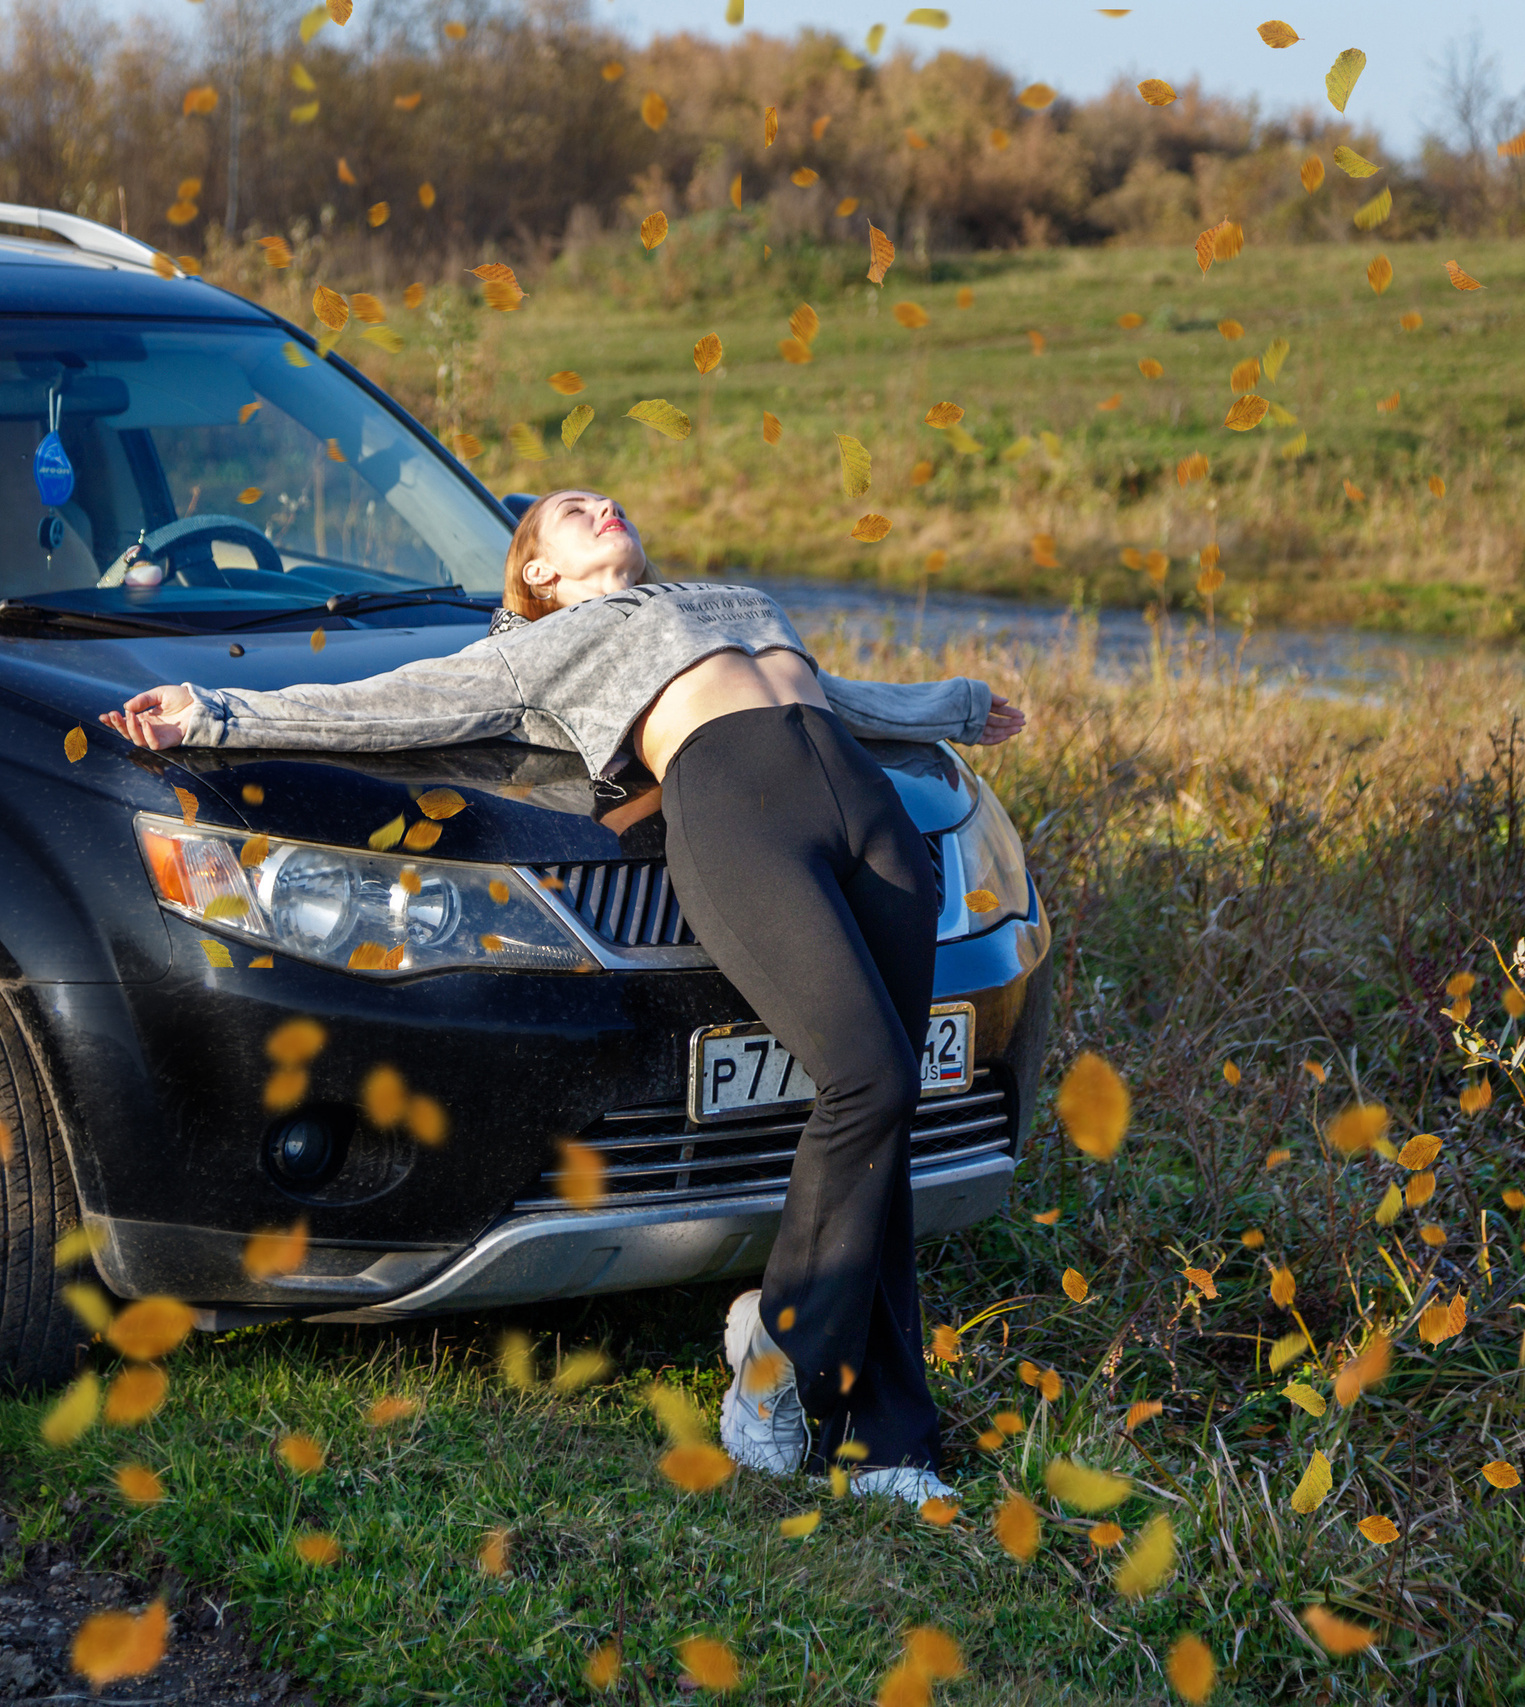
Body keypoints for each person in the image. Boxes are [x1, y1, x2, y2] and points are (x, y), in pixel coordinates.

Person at [102, 489, 1026, 1503]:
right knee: (870, 1080)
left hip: (866, 813)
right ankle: (775, 1361)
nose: (605, 504)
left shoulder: (721, 597)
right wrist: (217, 712)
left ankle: (885, 1443)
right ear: (539, 572)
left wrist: (952, 707)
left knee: (885, 1125)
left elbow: (833, 695)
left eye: (608, 498)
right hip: (741, 812)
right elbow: (400, 699)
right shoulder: (553, 645)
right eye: (571, 510)